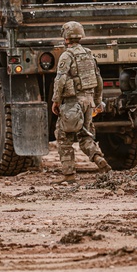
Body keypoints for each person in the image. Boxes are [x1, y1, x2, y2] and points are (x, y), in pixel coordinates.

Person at [52, 21, 112, 182]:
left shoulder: (67, 55)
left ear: (66, 37)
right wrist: (97, 101)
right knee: (85, 135)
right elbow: (98, 79)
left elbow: (61, 80)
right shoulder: (88, 53)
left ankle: (69, 175)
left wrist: (56, 101)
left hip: (72, 103)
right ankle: (98, 158)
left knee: (64, 137)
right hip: (88, 101)